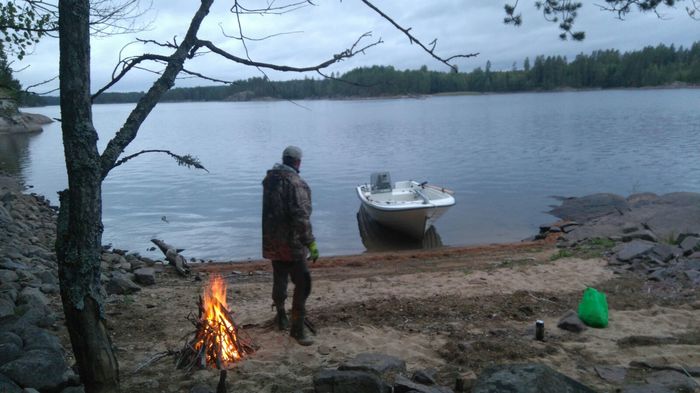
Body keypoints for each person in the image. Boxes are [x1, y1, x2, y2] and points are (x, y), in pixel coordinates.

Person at [262, 145, 319, 346]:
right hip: (292, 244)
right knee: (304, 283)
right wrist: (310, 243)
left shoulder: (270, 180)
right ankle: (297, 329)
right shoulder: (295, 183)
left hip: (273, 242)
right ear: (298, 162)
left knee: (280, 279)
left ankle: (280, 316)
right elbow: (301, 216)